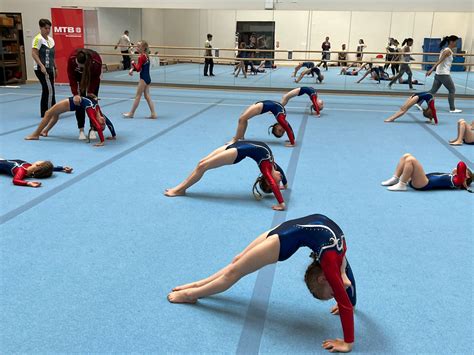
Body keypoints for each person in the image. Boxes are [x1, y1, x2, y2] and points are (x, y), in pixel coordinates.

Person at [168, 214, 357, 353]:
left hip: (288, 227)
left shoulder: (341, 262)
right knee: (234, 271)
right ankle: (191, 294)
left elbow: (348, 299)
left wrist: (351, 303)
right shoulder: (333, 267)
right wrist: (348, 342)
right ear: (322, 279)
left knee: (237, 261)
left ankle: (194, 285)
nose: (337, 295)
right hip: (283, 241)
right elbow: (345, 303)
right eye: (332, 294)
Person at [164, 140, 288, 210]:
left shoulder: (266, 169)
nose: (279, 180)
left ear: (268, 180)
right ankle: (180, 189)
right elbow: (280, 173)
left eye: (277, 182)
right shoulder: (273, 166)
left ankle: (179, 190)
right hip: (234, 145)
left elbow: (273, 182)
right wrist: (285, 184)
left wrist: (281, 203)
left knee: (203, 166)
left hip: (237, 153)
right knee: (201, 162)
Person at [25, 95, 116, 147]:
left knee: (48, 113)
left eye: (102, 123)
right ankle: (45, 131)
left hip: (72, 103)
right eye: (104, 122)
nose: (103, 121)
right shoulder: (100, 114)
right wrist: (113, 136)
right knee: (56, 114)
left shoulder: (92, 114)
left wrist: (102, 141)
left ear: (96, 122)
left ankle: (35, 135)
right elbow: (110, 124)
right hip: (77, 102)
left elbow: (99, 127)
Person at [381, 154, 471, 192]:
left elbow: (461, 164)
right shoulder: (452, 177)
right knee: (407, 155)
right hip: (421, 180)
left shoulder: (457, 181)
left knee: (411, 160)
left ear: (465, 175)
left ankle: (402, 184)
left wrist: (464, 178)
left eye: (465, 171)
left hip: (424, 184)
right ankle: (395, 178)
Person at [67, 48, 102, 140]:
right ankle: (81, 130)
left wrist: (90, 93)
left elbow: (95, 79)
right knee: (79, 102)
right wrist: (75, 94)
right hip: (79, 80)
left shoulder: (96, 62)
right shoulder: (72, 59)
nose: (80, 67)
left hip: (92, 79)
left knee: (92, 103)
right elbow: (71, 78)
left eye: (81, 66)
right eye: (78, 65)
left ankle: (93, 128)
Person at [229, 101, 296, 147]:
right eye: (281, 131)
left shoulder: (281, 119)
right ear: (276, 126)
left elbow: (288, 127)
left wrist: (292, 139)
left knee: (242, 119)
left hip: (261, 106)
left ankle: (238, 138)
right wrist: (292, 142)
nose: (283, 130)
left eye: (280, 131)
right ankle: (237, 138)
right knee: (242, 119)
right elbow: (288, 128)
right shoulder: (281, 119)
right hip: (260, 106)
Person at [427, 35, 462, 113]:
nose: (457, 44)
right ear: (452, 42)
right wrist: (431, 70)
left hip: (439, 73)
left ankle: (418, 101)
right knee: (452, 89)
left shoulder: (446, 50)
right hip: (443, 74)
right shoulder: (447, 51)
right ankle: (452, 109)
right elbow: (439, 61)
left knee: (432, 91)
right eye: (456, 42)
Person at [122, 41, 157, 119]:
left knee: (138, 96)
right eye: (136, 46)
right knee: (147, 96)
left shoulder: (141, 57)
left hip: (143, 79)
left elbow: (138, 69)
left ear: (143, 48)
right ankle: (153, 113)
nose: (136, 47)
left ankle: (131, 113)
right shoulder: (146, 56)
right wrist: (132, 69)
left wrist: (133, 63)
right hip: (148, 78)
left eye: (138, 46)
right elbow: (141, 67)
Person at [32, 18, 56, 118]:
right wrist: (41, 65)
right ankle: (47, 112)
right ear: (41, 28)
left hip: (50, 68)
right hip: (40, 68)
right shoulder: (38, 39)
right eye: (45, 28)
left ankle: (53, 109)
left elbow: (52, 56)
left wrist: (55, 67)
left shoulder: (50, 40)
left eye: (49, 28)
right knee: (47, 89)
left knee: (51, 89)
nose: (47, 30)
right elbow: (34, 53)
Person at [0, 159, 72, 187]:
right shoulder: (30, 167)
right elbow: (47, 169)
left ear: (38, 165)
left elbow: (15, 180)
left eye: (41, 161)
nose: (40, 160)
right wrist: (62, 168)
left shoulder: (21, 170)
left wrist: (29, 183)